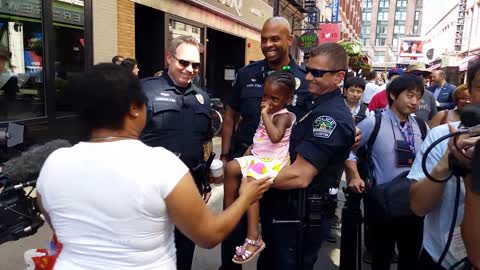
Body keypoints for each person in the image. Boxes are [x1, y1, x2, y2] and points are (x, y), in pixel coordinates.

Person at [35, 63, 272, 270]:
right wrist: (245, 198)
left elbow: (56, 220)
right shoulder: (161, 165)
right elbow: (208, 235)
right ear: (135, 109)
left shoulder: (54, 164)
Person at [219, 17, 310, 270]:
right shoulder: (247, 74)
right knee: (233, 231)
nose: (268, 44)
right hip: (248, 158)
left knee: (276, 239)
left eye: (275, 39)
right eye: (264, 39)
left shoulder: (304, 80)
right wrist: (225, 155)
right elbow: (230, 115)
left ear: (290, 40)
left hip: (280, 172)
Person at [263, 42, 355, 269]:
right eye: (308, 70)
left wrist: (251, 176)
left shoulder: (330, 117)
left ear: (339, 76)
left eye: (318, 73)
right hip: (287, 207)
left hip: (301, 214)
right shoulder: (315, 103)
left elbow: (299, 176)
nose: (309, 77)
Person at [139, 35, 212, 270]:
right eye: (183, 62)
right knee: (151, 250)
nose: (190, 69)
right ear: (169, 58)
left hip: (189, 187)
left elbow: (205, 141)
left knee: (185, 247)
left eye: (195, 65)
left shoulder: (203, 98)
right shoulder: (144, 90)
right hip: (150, 188)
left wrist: (206, 181)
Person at [346, 74, 428, 270]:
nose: (415, 102)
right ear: (392, 95)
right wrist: (354, 176)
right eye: (409, 95)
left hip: (414, 203)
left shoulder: (422, 127)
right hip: (383, 203)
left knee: (410, 257)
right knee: (381, 257)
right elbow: (348, 150)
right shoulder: (374, 122)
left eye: (418, 97)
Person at [409, 58, 480, 269]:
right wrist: (447, 161)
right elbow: (418, 206)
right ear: (469, 92)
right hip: (438, 257)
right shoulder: (442, 136)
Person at [222, 71, 296, 264]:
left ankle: (254, 237)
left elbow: (275, 137)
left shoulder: (284, 116)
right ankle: (229, 215)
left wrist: (264, 114)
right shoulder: (271, 112)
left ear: (288, 99)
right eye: (265, 96)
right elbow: (261, 138)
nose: (268, 101)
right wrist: (250, 148)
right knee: (230, 167)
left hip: (274, 161)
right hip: (259, 156)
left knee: (250, 186)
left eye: (274, 98)